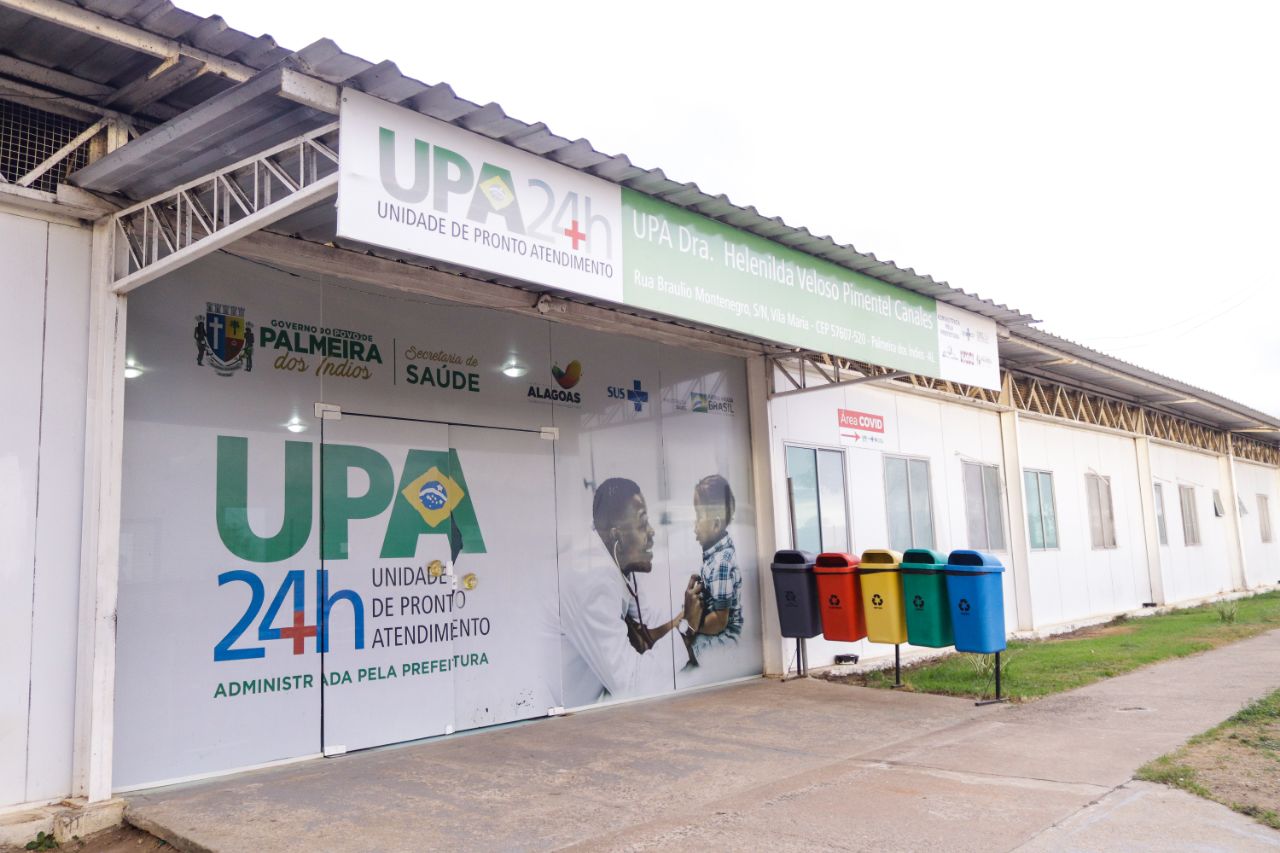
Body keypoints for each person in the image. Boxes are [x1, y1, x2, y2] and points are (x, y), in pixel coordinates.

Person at [559, 478, 701, 707]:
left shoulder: (617, 561)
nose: (652, 532)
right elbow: (631, 685)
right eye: (642, 523)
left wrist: (688, 613)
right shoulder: (592, 582)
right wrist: (687, 628)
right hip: (563, 713)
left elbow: (647, 629)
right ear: (617, 536)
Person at [686, 475, 743, 656]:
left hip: (724, 637)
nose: (694, 526)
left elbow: (719, 621)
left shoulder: (721, 564)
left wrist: (693, 626)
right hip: (715, 627)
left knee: (690, 649)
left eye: (698, 517)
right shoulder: (714, 555)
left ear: (716, 524)